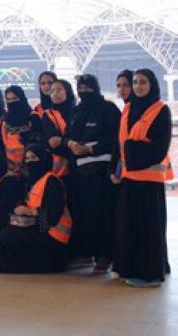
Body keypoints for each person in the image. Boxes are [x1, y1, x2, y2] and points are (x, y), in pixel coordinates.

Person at [114, 68, 173, 287]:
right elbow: (120, 142)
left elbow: (159, 147)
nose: (138, 86)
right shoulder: (128, 108)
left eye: (143, 82)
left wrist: (131, 150)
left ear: (152, 85)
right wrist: (119, 166)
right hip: (129, 178)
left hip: (149, 180)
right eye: (136, 82)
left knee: (149, 229)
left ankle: (150, 273)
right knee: (130, 227)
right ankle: (129, 268)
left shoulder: (161, 110)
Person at [67, 74, 121, 273]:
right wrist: (71, 143)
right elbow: (69, 135)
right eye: (80, 87)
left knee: (102, 215)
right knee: (83, 214)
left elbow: (115, 138)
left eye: (88, 87)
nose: (84, 91)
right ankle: (86, 252)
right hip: (78, 171)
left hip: (100, 172)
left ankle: (104, 256)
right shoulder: (77, 110)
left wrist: (91, 150)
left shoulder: (108, 109)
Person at [0, 146, 72, 274]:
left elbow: (52, 216)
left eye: (33, 158)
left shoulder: (52, 181)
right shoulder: (33, 182)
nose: (30, 162)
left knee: (10, 236)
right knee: (4, 231)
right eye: (27, 159)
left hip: (53, 235)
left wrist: (30, 212)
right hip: (39, 227)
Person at [41, 79, 75, 181]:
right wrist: (70, 142)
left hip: (80, 165)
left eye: (59, 90)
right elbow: (53, 142)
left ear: (68, 92)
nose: (55, 94)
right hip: (59, 169)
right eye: (52, 91)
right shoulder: (48, 114)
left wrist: (62, 140)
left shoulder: (78, 111)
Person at [1, 85, 41, 171]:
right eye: (8, 99)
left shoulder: (32, 116)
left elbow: (39, 140)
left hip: (30, 164)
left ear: (21, 98)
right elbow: (4, 142)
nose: (11, 102)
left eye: (15, 98)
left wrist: (28, 137)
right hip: (11, 167)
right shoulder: (6, 120)